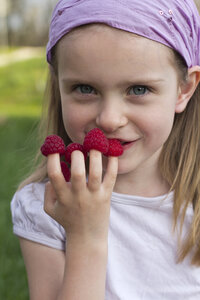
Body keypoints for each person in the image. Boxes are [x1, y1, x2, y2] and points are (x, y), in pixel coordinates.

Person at [11, 0, 200, 299]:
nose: (110, 119)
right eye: (85, 89)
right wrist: (85, 236)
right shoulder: (46, 206)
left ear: (184, 89)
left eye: (138, 89)